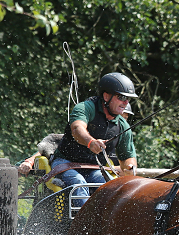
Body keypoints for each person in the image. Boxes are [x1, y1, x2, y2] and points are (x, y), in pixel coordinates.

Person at [48, 72, 139, 201]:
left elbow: (128, 157)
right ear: (106, 96)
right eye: (121, 97)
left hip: (95, 169)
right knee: (78, 183)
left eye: (128, 99)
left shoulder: (122, 126)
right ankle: (82, 221)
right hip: (66, 163)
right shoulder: (85, 108)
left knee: (110, 188)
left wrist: (130, 168)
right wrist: (91, 142)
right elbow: (77, 129)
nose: (125, 102)